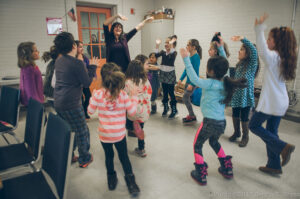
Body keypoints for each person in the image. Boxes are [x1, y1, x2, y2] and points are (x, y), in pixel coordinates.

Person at [181, 48, 247, 185]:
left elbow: (193, 78)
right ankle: (227, 167)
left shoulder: (210, 83)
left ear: (211, 71)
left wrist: (186, 59)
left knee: (197, 145)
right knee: (214, 142)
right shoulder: (225, 82)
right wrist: (221, 49)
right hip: (221, 123)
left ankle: (200, 173)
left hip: (209, 122)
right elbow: (226, 68)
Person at [249, 14, 297, 175]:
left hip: (272, 103)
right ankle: (274, 165)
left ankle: (283, 147)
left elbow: (261, 49)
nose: (267, 41)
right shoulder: (285, 57)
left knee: (253, 125)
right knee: (271, 131)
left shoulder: (274, 57)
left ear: (278, 43)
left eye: (270, 39)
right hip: (281, 102)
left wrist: (259, 29)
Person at [88, 63, 140, 196]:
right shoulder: (123, 95)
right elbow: (133, 112)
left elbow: (89, 111)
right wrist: (134, 97)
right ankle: (131, 182)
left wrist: (92, 98)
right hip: (119, 135)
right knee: (124, 158)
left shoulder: (98, 94)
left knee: (109, 156)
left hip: (104, 135)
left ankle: (111, 179)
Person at [53, 32, 99, 168]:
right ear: (74, 45)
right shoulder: (77, 63)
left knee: (70, 129)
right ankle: (84, 158)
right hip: (71, 103)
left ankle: (69, 155)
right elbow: (86, 83)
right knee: (82, 130)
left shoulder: (59, 60)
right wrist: (92, 67)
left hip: (58, 102)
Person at [229, 36, 260, 147]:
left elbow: (254, 51)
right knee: (235, 113)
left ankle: (245, 136)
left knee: (244, 117)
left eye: (242, 49)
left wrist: (243, 39)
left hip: (246, 97)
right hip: (237, 95)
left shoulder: (252, 64)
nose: (239, 51)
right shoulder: (239, 64)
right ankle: (236, 132)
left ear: (248, 53)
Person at [125, 59, 152, 157]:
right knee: (141, 125)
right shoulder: (145, 80)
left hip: (133, 107)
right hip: (144, 107)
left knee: (132, 123)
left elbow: (125, 95)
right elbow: (150, 92)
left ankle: (134, 129)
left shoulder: (127, 82)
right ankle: (141, 148)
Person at [177, 39, 201, 123]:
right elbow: (186, 69)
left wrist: (192, 83)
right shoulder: (190, 56)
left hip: (192, 82)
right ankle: (191, 115)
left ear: (193, 47)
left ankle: (192, 115)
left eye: (188, 45)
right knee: (186, 98)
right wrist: (181, 78)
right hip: (188, 81)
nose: (186, 46)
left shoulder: (196, 57)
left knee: (185, 98)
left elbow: (196, 72)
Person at [155, 35, 178, 119]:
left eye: (168, 42)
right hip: (163, 73)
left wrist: (171, 45)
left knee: (171, 93)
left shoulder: (174, 52)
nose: (166, 44)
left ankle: (174, 110)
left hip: (170, 74)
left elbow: (171, 55)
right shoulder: (163, 51)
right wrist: (157, 45)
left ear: (173, 45)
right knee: (164, 92)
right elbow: (156, 55)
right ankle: (166, 107)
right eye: (165, 42)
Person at [17, 42, 44, 106]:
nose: (38, 52)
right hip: (34, 102)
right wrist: (37, 104)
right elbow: (30, 90)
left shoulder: (29, 67)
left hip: (35, 100)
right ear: (29, 54)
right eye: (36, 50)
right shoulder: (29, 69)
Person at [75, 40, 95, 119]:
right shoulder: (74, 59)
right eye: (80, 47)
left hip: (85, 81)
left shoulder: (84, 57)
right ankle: (82, 114)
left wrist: (93, 74)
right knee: (80, 99)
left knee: (88, 96)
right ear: (75, 48)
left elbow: (88, 67)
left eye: (82, 47)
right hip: (77, 83)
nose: (82, 49)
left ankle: (85, 111)